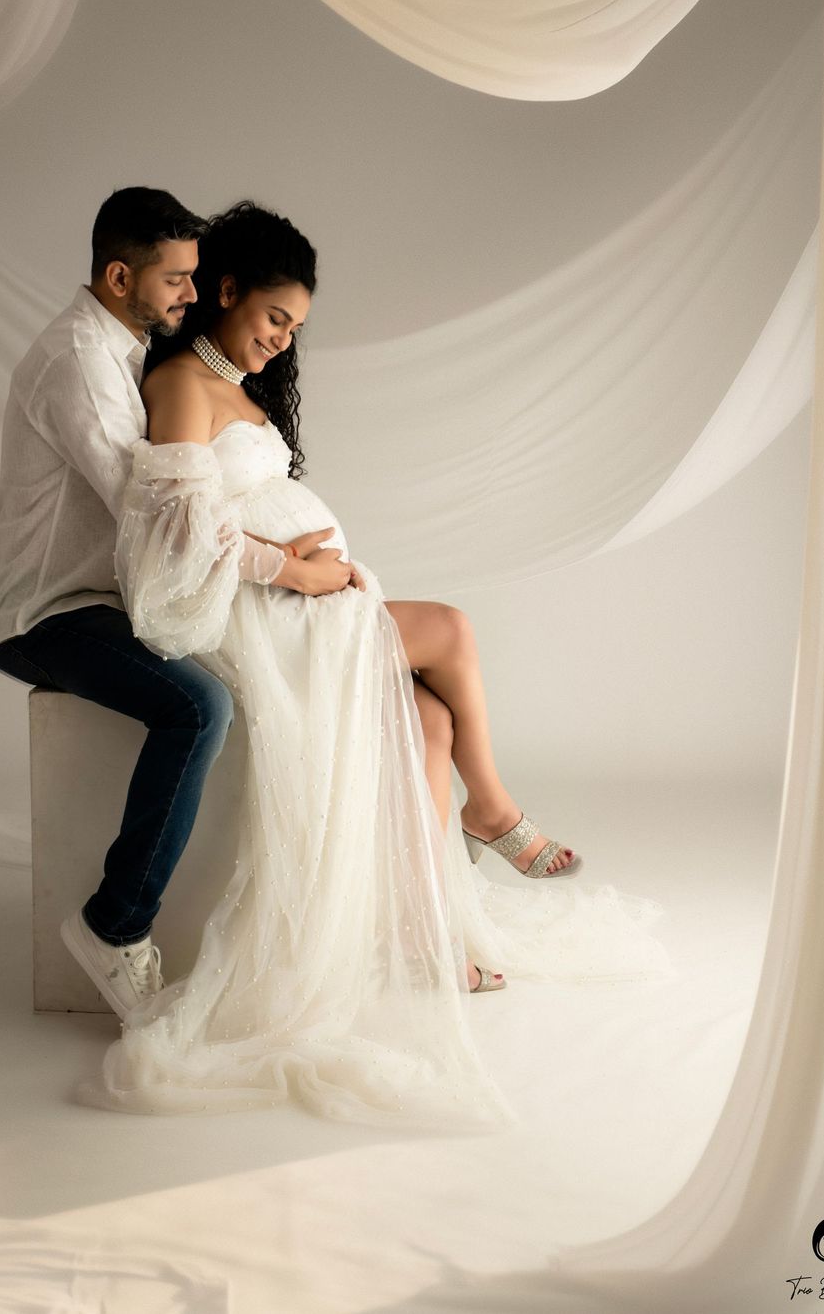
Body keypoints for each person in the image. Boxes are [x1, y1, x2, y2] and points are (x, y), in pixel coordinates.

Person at [85, 200, 672, 1129]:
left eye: (296, 328)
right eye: (275, 317)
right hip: (262, 616)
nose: (283, 340)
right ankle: (493, 811)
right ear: (226, 290)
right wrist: (306, 572)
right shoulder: (179, 383)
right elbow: (176, 537)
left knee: (430, 721)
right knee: (452, 630)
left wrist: (322, 571)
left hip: (306, 598)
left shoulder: (233, 381)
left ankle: (424, 923)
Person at [0, 188, 359, 1019]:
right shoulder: (80, 365)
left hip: (110, 601)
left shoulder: (121, 350)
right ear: (121, 276)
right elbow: (165, 525)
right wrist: (285, 570)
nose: (191, 295)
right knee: (200, 707)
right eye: (177, 280)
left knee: (251, 687)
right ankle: (115, 926)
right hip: (49, 612)